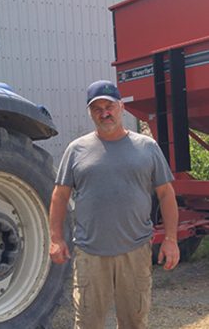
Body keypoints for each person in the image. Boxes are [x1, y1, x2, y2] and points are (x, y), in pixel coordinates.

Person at [49, 80, 180, 329]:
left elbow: (166, 194)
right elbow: (60, 195)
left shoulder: (147, 148)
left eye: (109, 106)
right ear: (90, 113)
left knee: (134, 321)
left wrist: (171, 239)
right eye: (97, 109)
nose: (104, 113)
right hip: (90, 254)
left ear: (121, 107)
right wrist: (56, 238)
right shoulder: (76, 150)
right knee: (88, 322)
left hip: (135, 251)